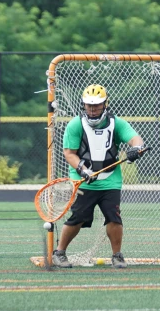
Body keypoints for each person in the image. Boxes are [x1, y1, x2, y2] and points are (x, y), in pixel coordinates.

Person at [52, 84, 146, 269]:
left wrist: (136, 149)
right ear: (83, 105)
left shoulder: (117, 123)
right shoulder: (75, 124)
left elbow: (136, 139)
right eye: (89, 105)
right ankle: (60, 253)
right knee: (78, 217)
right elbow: (69, 153)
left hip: (110, 180)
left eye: (97, 105)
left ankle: (117, 256)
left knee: (114, 217)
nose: (93, 109)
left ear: (105, 104)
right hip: (83, 180)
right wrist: (83, 170)